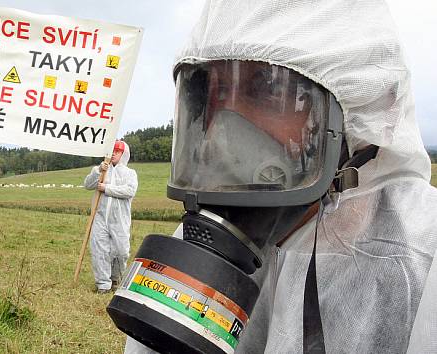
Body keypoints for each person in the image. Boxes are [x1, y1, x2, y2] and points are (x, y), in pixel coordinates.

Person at [123, 0, 437, 353]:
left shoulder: (425, 260)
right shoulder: (200, 241)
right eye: (212, 95)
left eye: (267, 90)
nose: (219, 135)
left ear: (371, 113)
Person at [84, 140, 138, 294]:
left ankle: (115, 278)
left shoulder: (130, 173)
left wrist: (106, 188)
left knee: (121, 251)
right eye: (112, 151)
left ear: (123, 154)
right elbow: (87, 185)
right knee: (99, 249)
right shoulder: (101, 169)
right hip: (99, 217)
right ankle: (103, 284)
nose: (114, 153)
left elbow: (129, 191)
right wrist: (98, 171)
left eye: (117, 151)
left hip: (120, 219)